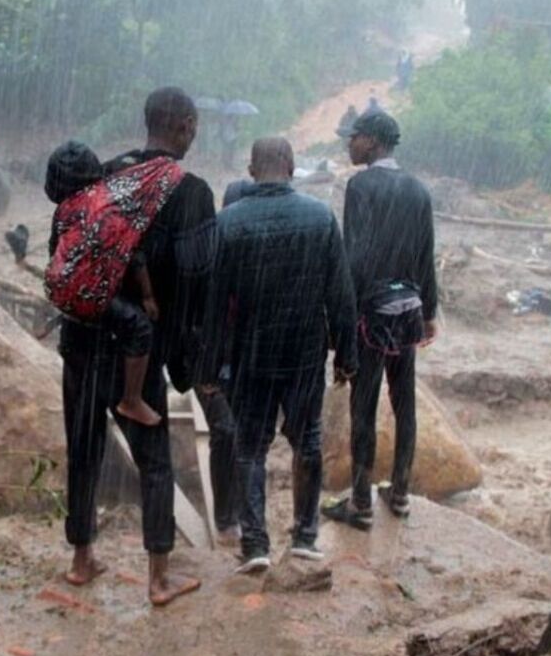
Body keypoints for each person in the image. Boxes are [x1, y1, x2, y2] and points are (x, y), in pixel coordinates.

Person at [54, 87, 218, 606]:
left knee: (83, 451)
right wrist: (192, 360)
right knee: (155, 461)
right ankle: (158, 577)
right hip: (136, 352)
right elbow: (198, 282)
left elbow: (74, 241)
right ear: (186, 126)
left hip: (81, 333)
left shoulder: (107, 171)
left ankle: (82, 562)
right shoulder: (190, 191)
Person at [206, 137, 356, 570]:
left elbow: (214, 306)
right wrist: (347, 356)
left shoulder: (228, 223)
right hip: (304, 354)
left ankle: (255, 546)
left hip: (250, 354)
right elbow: (340, 296)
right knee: (307, 440)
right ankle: (305, 536)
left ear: (252, 170)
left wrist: (208, 366)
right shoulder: (320, 218)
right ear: (291, 167)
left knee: (250, 448)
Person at [323, 109, 438, 529]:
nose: (349, 145)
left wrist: (341, 320)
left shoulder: (361, 186)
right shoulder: (418, 190)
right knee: (404, 403)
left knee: (363, 407)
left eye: (353, 137)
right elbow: (426, 256)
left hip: (370, 315)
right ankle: (401, 492)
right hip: (408, 311)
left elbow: (355, 257)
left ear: (371, 141)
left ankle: (360, 500)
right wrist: (429, 313)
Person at [44, 141, 165, 429]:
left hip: (64, 300)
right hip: (96, 305)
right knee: (140, 328)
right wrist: (148, 295)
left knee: (83, 434)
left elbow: (54, 253)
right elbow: (133, 253)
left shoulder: (63, 211)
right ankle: (131, 399)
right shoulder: (106, 206)